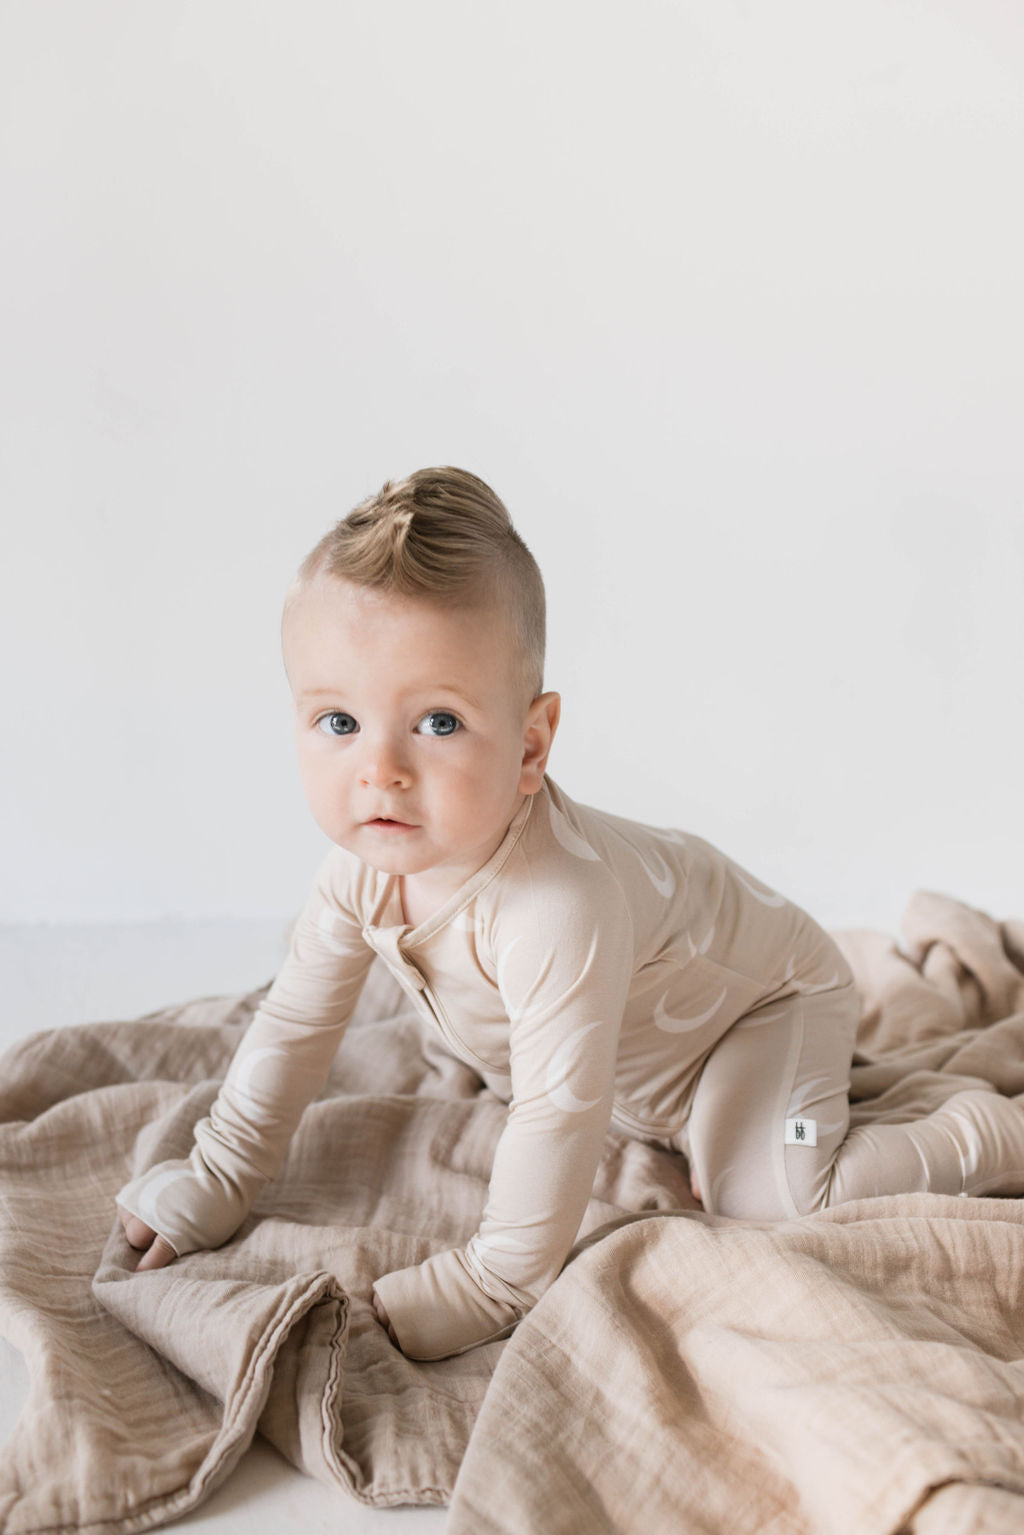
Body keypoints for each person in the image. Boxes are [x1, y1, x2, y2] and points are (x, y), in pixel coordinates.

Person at [116, 466, 1024, 1361]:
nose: (379, 769)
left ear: (531, 745)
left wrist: (496, 1276)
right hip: (639, 1049)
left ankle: (984, 1133)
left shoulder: (555, 906)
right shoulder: (359, 867)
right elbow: (296, 1019)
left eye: (437, 722)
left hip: (766, 1008)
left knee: (771, 1191)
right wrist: (218, 1174)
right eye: (339, 721)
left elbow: (555, 1112)